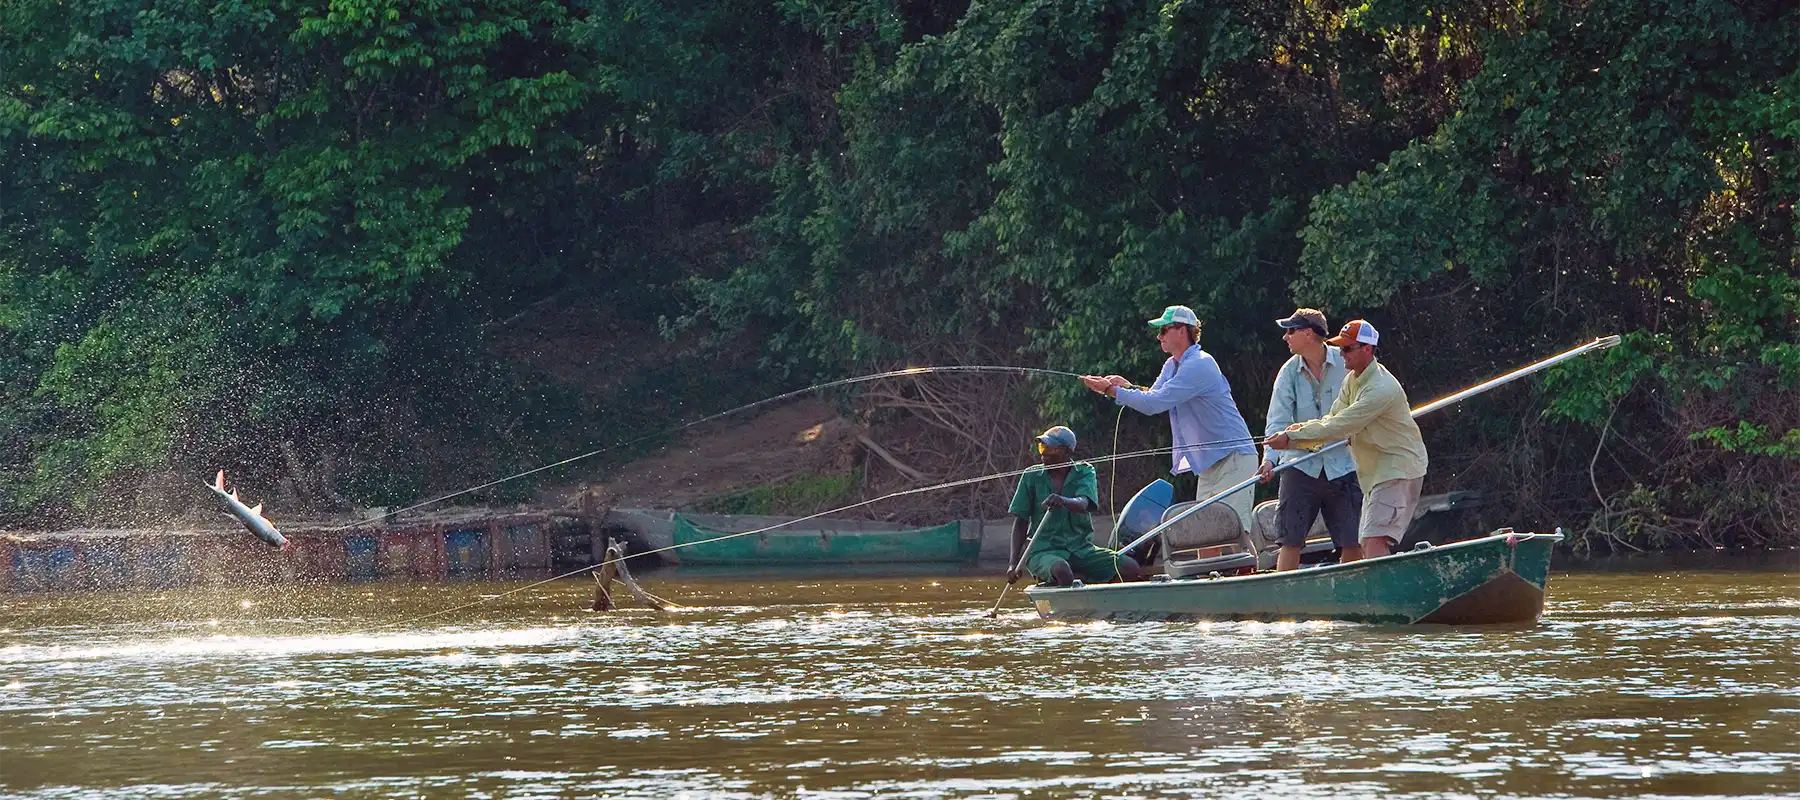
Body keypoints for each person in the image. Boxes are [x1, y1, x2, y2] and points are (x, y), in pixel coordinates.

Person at [1079, 305, 1258, 539]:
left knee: (1234, 532)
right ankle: (1217, 575)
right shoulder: (1172, 365)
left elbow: (1155, 403)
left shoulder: (1199, 363)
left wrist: (1112, 391)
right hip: (1210, 463)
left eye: (1163, 330)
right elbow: (1154, 394)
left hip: (1234, 457)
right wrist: (1126, 387)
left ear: (1183, 331)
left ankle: (1251, 573)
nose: (1158, 336)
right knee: (1209, 534)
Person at [1265, 320, 1427, 561]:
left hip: (1398, 470)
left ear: (1368, 350)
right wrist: (1295, 433)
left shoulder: (1380, 388)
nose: (1342, 354)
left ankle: (1381, 596)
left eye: (1348, 349)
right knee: (1369, 540)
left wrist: (1291, 439)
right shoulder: (1352, 380)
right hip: (1376, 473)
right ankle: (1372, 595)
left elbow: (1340, 426)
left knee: (1372, 541)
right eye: (1340, 348)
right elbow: (1333, 418)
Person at [1257, 308, 1363, 570]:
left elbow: (1366, 404)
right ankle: (1285, 604)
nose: (1285, 337)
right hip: (1300, 466)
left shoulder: (1347, 362)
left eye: (1290, 331)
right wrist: (1269, 461)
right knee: (1290, 540)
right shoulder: (1288, 372)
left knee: (1352, 540)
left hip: (1346, 465)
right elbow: (1277, 421)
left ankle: (1351, 597)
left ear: (1308, 333)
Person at [1007, 426, 1141, 586]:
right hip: (1044, 551)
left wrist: (1063, 501)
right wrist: (1013, 564)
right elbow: (1020, 521)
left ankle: (1084, 584)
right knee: (1062, 571)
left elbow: (1084, 503)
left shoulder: (1084, 472)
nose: (1043, 453)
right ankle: (1062, 583)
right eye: (1042, 447)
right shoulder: (1031, 476)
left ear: (1066, 452)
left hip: (1081, 549)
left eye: (1050, 449)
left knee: (1130, 568)